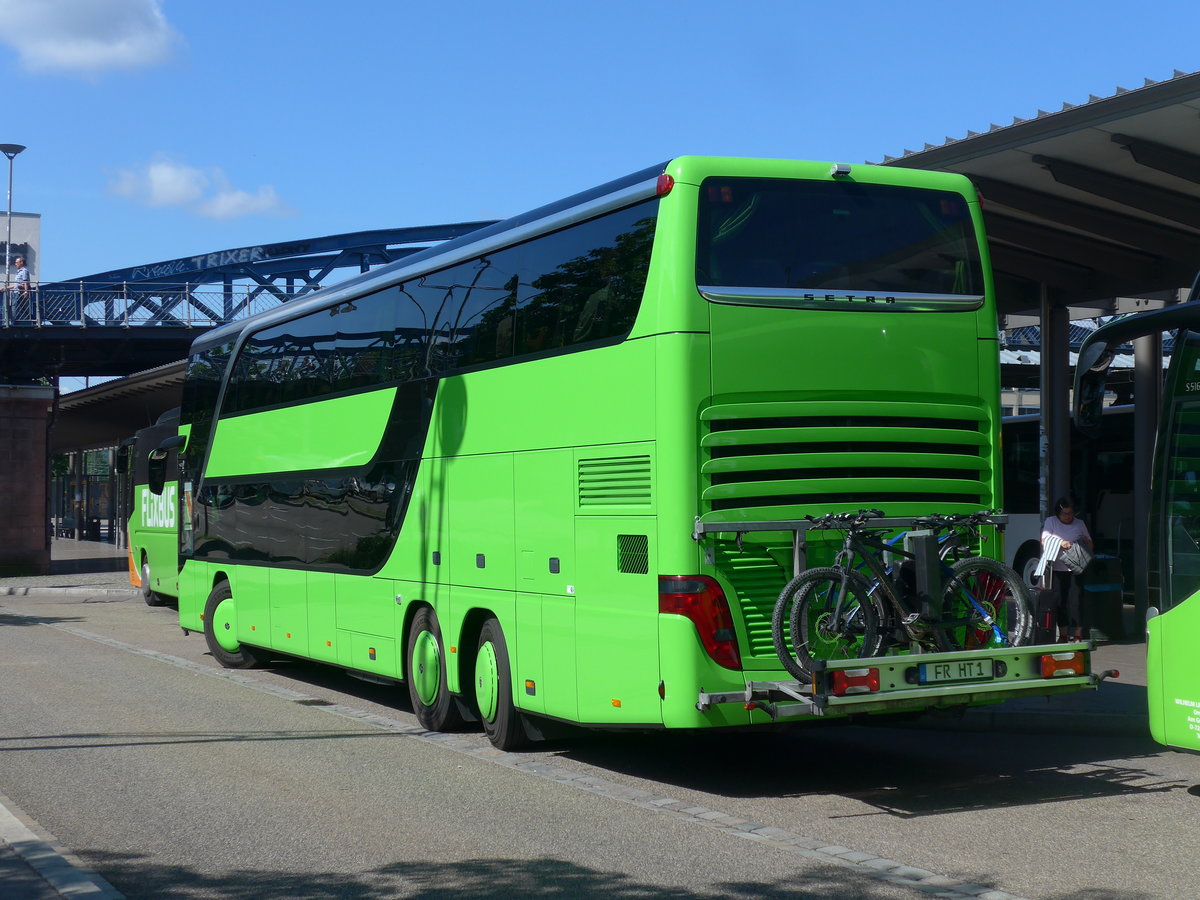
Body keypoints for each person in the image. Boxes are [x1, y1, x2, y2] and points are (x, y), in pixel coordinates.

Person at [1038, 496, 1094, 642]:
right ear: (1058, 513)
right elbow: (1044, 540)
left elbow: (1090, 544)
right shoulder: (1051, 522)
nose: (1068, 517)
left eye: (1070, 513)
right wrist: (1061, 543)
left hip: (1076, 567)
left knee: (1076, 601)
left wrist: (1082, 544)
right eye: (1065, 514)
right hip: (1058, 568)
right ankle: (1063, 634)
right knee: (1060, 601)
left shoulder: (1079, 523)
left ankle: (1077, 634)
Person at [2, 255, 30, 321]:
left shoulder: (24, 271)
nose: (15, 264)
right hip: (15, 292)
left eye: (16, 262)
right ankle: (12, 320)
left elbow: (25, 282)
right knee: (13, 307)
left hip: (19, 293)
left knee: (15, 307)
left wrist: (26, 292)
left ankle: (13, 321)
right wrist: (5, 288)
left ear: (21, 262)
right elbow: (16, 284)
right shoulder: (19, 272)